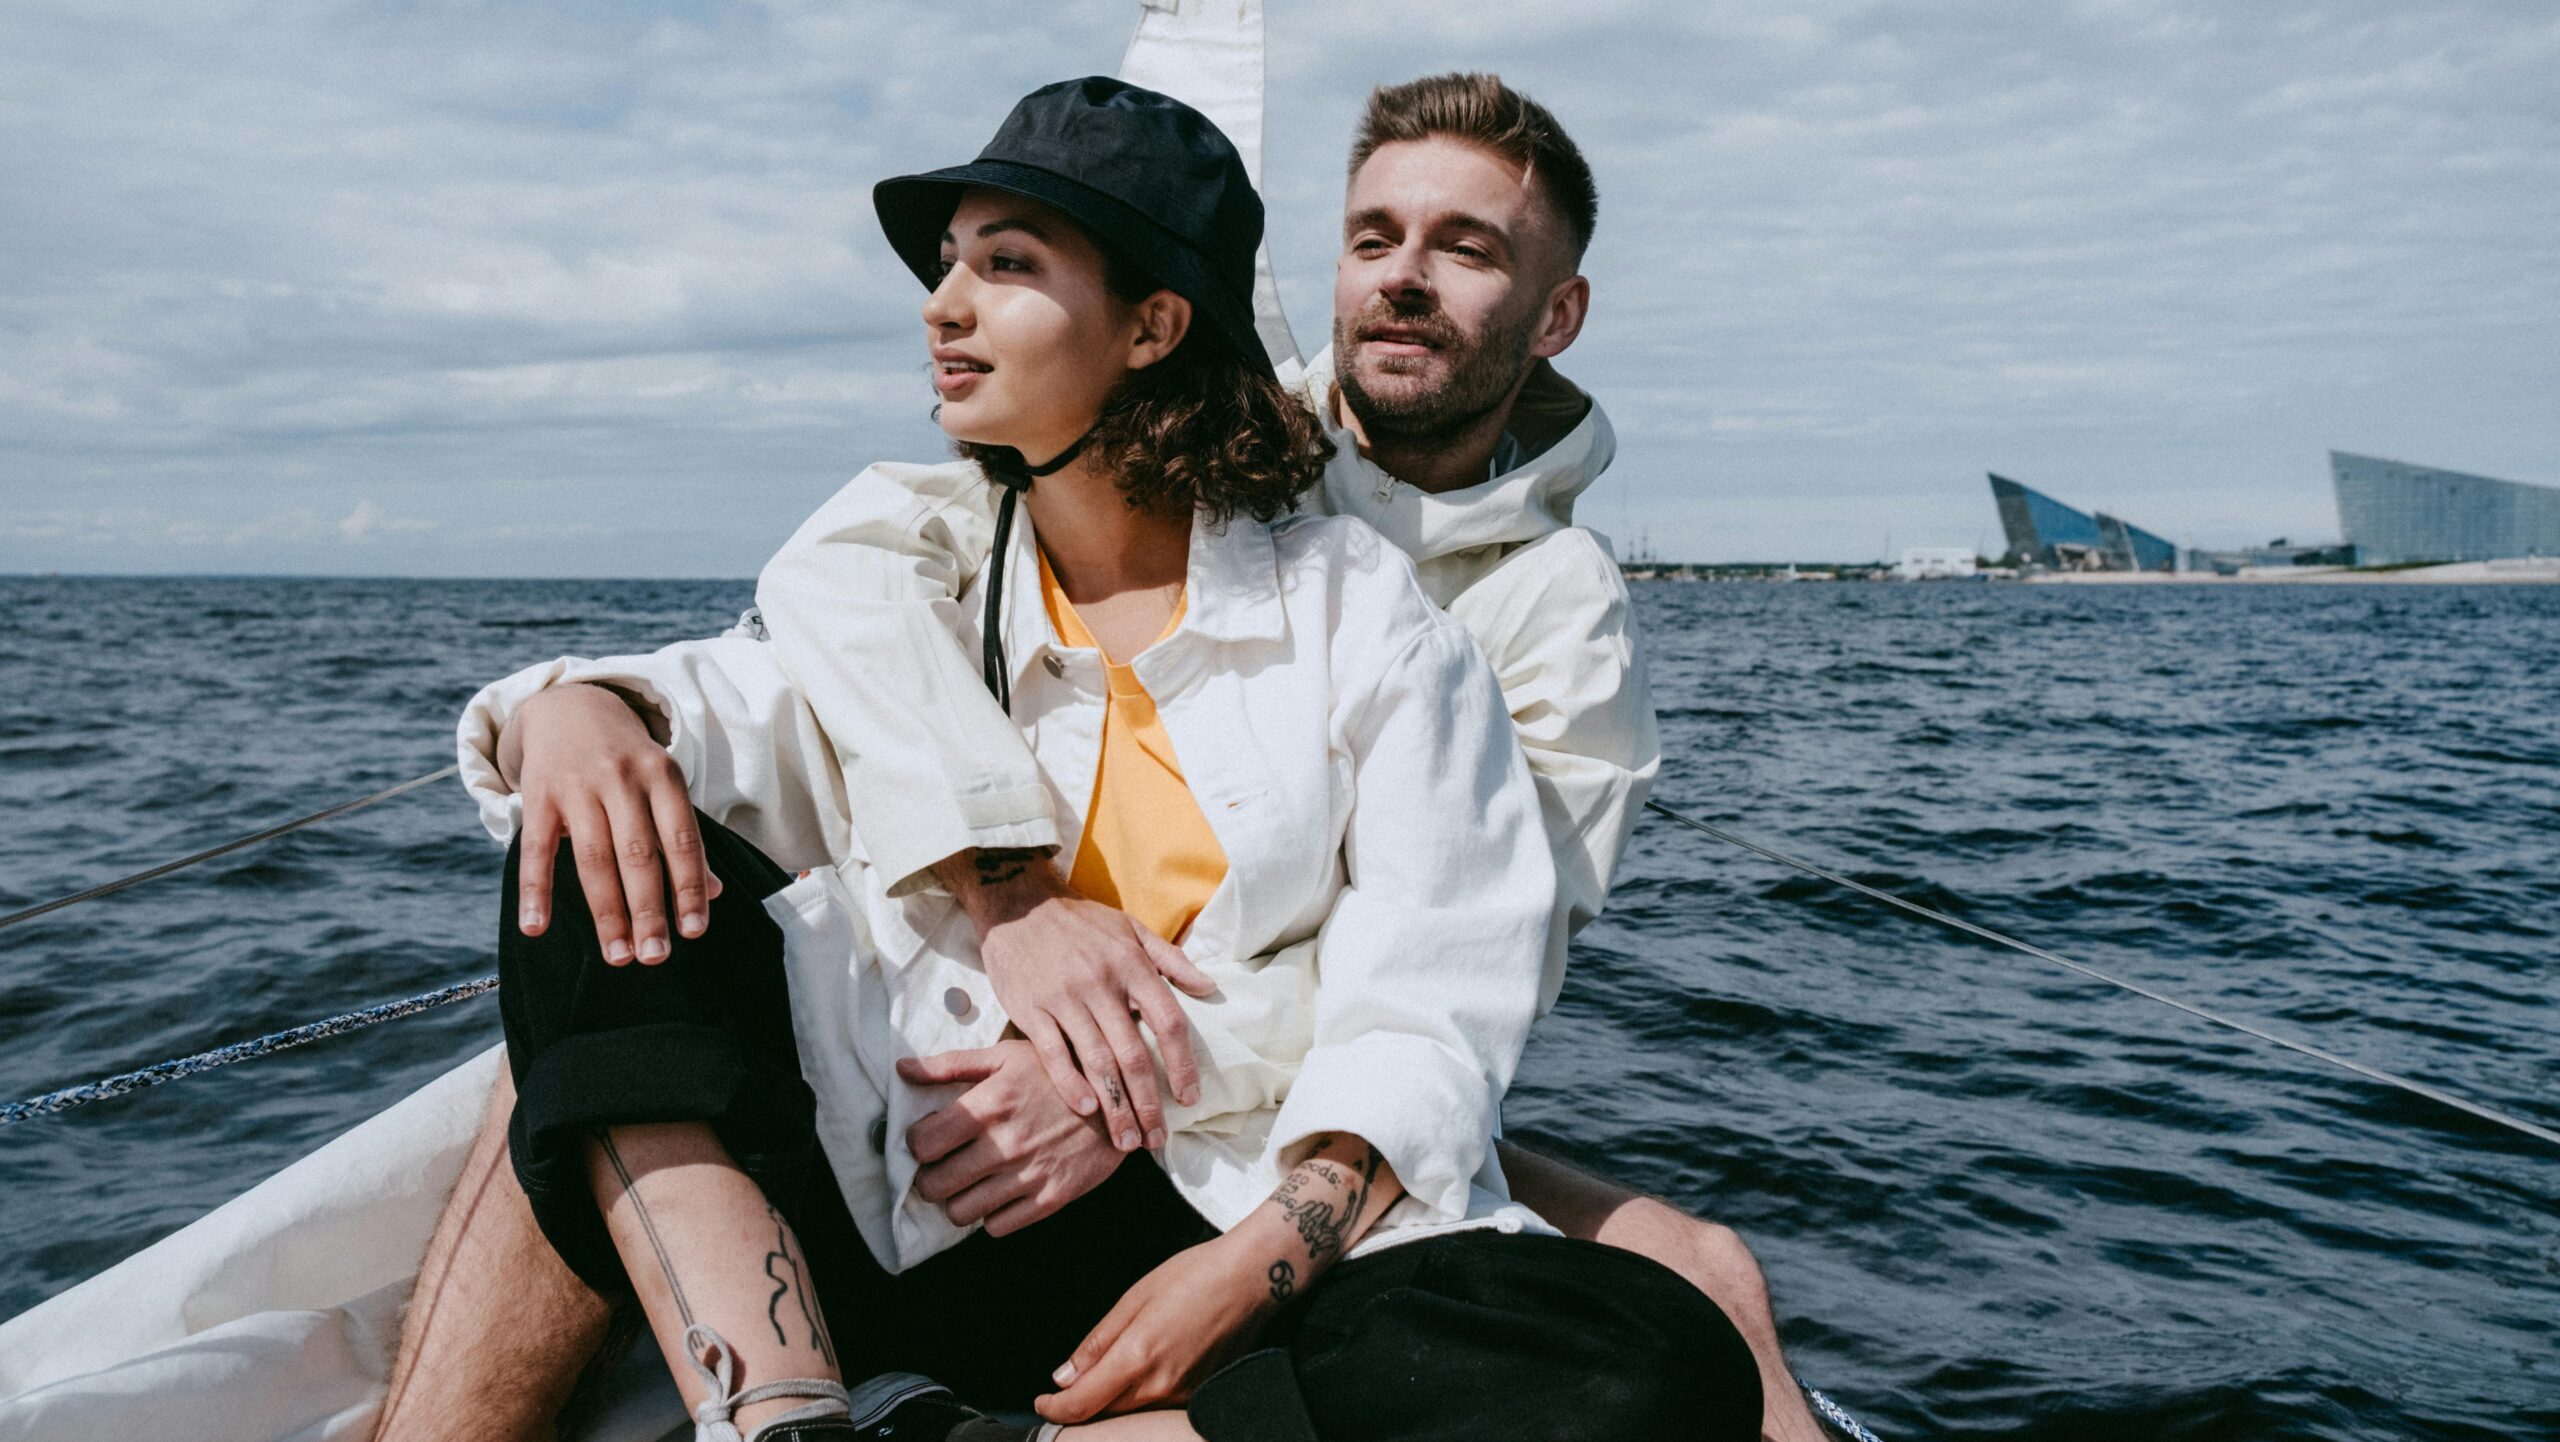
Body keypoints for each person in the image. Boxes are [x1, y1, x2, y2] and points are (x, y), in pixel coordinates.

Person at [388, 77, 1758, 1442]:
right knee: (596, 850)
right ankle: (784, 1418)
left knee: (1648, 1349)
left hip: (1189, 1200)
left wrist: (1229, 1250)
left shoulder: (1392, 625)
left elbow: (1441, 1001)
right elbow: (765, 660)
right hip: (905, 1180)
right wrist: (573, 706)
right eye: (949, 266)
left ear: (1156, 325)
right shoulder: (920, 561)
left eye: (1007, 264)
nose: (943, 305)